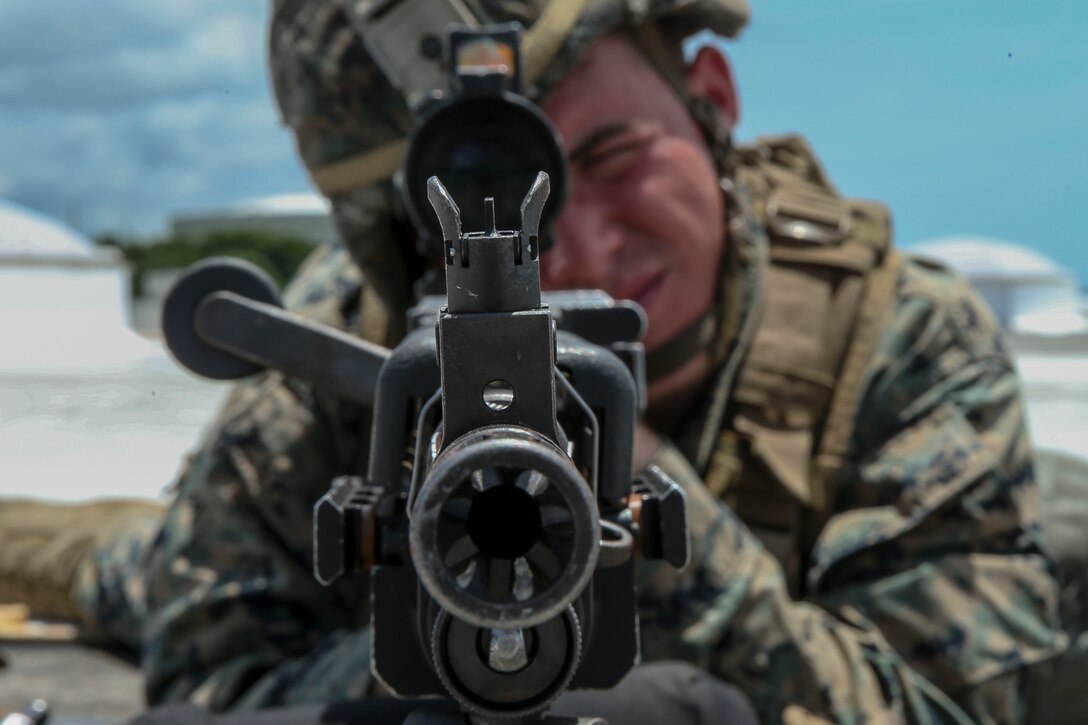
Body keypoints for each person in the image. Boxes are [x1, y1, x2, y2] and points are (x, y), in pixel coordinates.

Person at [0, 1, 1066, 722]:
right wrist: (410, 672)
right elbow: (207, 665)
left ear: (711, 96)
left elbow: (947, 704)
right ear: (393, 237)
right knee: (114, 566)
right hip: (250, 561)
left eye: (609, 157)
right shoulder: (345, 340)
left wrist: (627, 486)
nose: (578, 248)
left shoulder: (893, 337)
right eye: (456, 218)